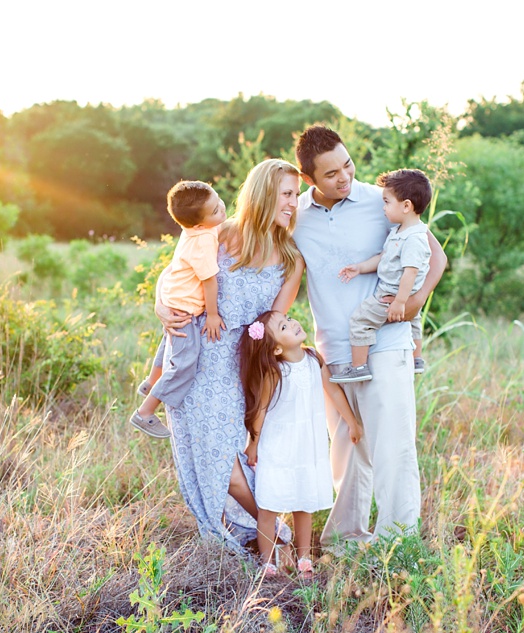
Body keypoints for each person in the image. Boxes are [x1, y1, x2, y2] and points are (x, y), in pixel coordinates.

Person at [292, 125, 447, 543]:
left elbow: (437, 255)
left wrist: (413, 305)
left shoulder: (382, 203)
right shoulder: (297, 217)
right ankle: (346, 542)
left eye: (347, 165)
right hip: (335, 351)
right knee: (346, 453)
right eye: (331, 174)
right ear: (308, 179)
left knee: (393, 450)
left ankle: (398, 545)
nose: (344, 178)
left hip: (386, 344)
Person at [154, 159, 306, 552]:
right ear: (263, 193)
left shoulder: (291, 258)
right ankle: (274, 537)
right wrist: (159, 305)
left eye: (295, 194)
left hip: (237, 364)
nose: (293, 202)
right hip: (192, 357)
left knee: (236, 458)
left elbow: (273, 323)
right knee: (217, 459)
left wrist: (249, 339)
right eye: (286, 194)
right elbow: (176, 275)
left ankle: (269, 534)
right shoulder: (218, 233)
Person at [239, 310, 362, 578]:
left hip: (307, 444)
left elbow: (333, 391)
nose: (293, 323)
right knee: (269, 504)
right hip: (279, 445)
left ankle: (304, 557)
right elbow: (260, 411)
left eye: (289, 318)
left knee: (303, 502)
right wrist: (253, 444)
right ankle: (268, 561)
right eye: (284, 326)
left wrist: (351, 421)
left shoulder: (313, 360)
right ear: (277, 347)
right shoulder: (275, 372)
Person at [129, 181, 227, 439]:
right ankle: (146, 411)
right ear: (198, 224)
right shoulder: (204, 239)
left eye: (219, 201)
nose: (223, 209)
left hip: (174, 300)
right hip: (184, 311)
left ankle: (151, 380)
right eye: (216, 210)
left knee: (168, 343)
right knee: (185, 361)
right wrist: (214, 315)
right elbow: (209, 280)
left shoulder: (193, 230)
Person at [331, 168, 432, 383]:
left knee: (360, 321)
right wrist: (360, 267)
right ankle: (417, 359)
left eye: (387, 202)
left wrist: (400, 302)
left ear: (406, 206)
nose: (383, 208)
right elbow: (383, 257)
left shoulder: (414, 238)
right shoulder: (399, 232)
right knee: (414, 321)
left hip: (391, 296)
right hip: (399, 297)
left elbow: (410, 272)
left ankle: (358, 366)